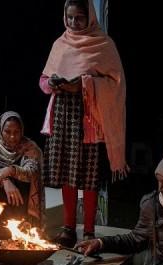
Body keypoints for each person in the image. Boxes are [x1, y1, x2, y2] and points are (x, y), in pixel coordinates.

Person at [40, 0, 127, 247]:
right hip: (63, 116)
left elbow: (116, 83)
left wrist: (84, 85)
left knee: (88, 175)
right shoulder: (61, 44)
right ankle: (69, 228)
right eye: (69, 18)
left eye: (79, 18)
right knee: (67, 172)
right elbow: (43, 79)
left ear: (89, 18)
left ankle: (89, 231)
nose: (73, 23)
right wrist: (53, 84)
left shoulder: (104, 44)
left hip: (91, 119)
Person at [0, 111, 45, 227]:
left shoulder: (29, 147)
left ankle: (23, 224)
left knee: (22, 179)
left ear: (22, 131)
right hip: (0, 200)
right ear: (1, 130)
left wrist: (11, 170)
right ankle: (0, 224)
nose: (12, 137)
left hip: (22, 200)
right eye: (7, 132)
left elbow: (31, 172)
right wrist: (5, 181)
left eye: (16, 132)